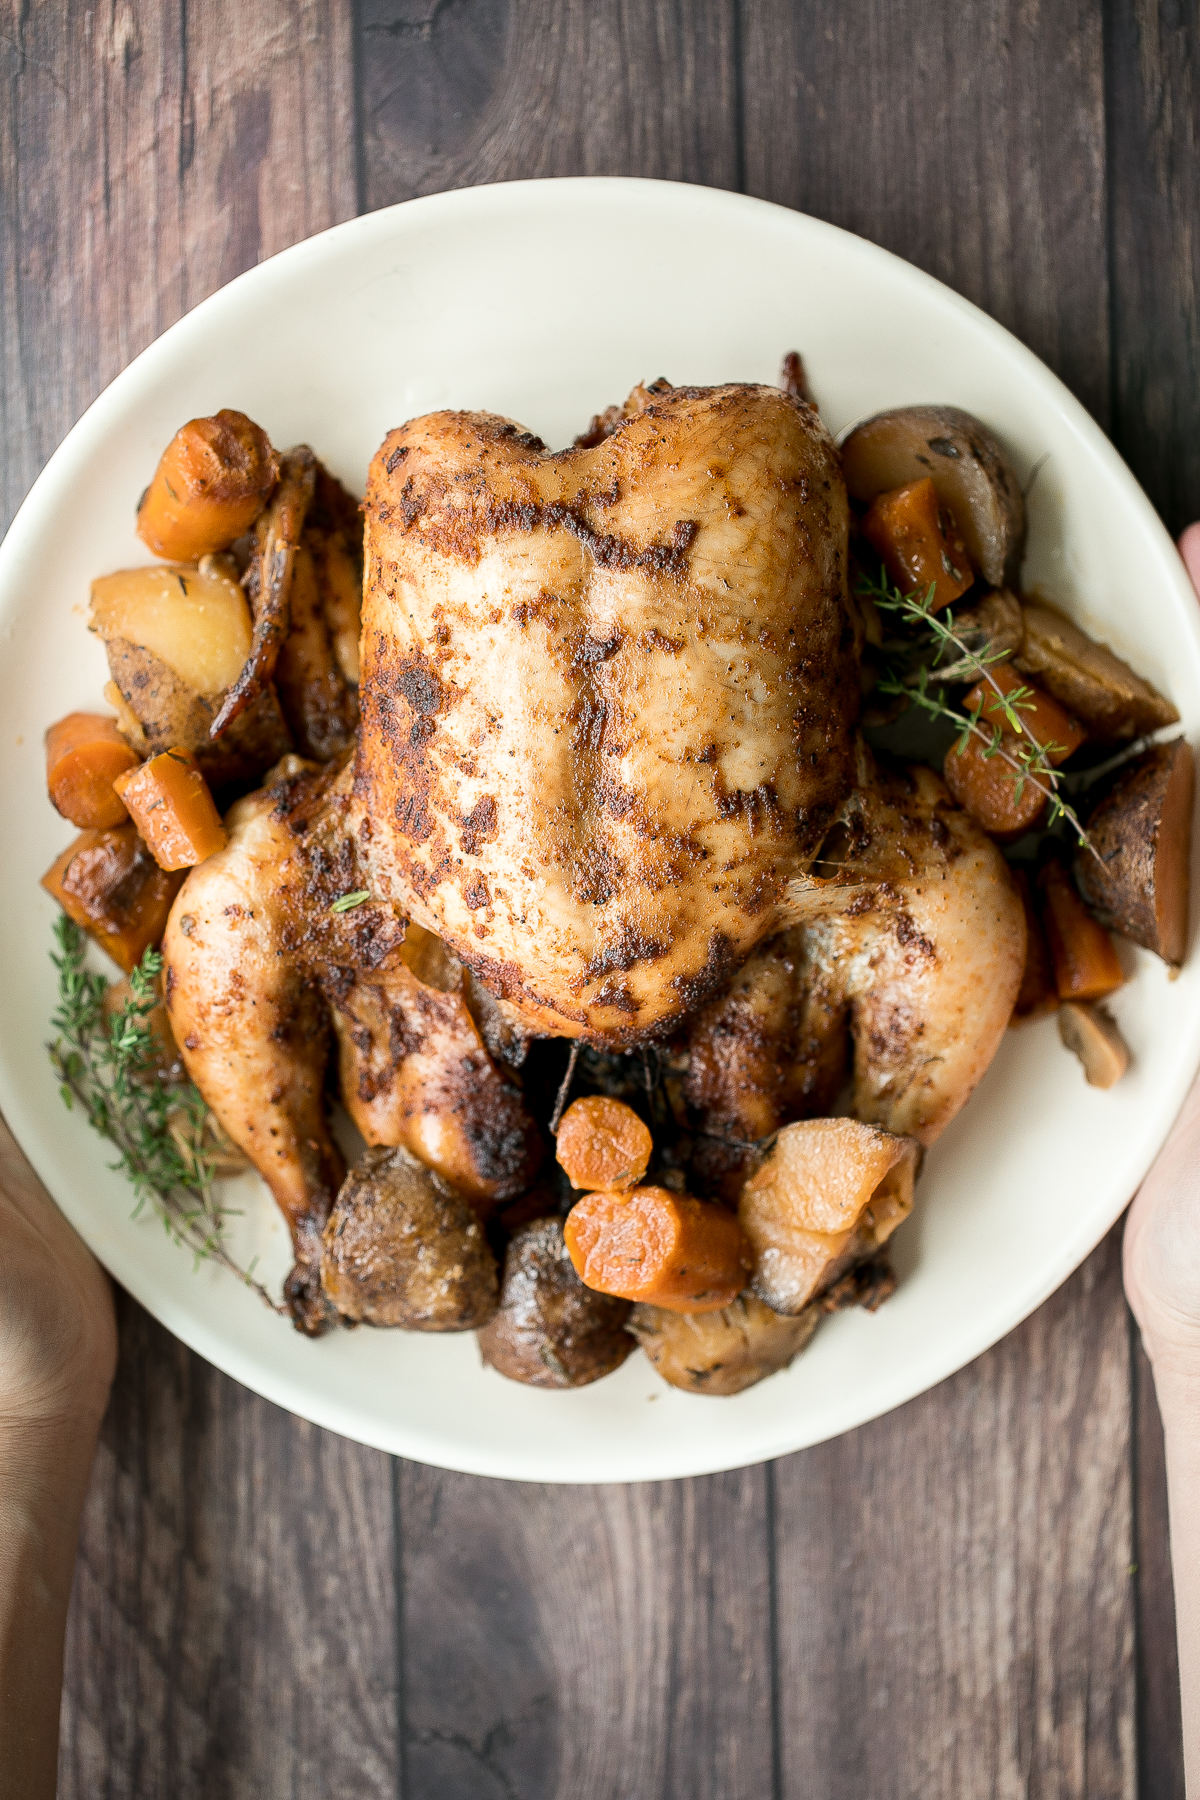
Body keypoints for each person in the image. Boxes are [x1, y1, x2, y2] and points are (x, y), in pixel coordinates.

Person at [2, 540, 1199, 1800]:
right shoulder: (428, 1020)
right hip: (457, 831)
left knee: (240, 901)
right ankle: (318, 1217)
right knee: (244, 901)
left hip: (706, 836)